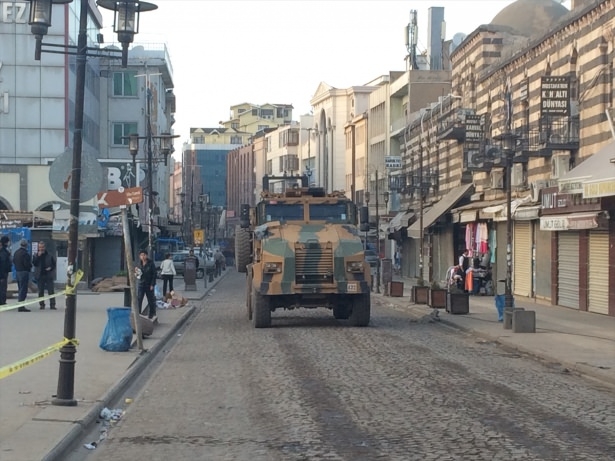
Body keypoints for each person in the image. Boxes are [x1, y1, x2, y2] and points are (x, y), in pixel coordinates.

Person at [32, 241, 56, 310]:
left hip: (48, 275)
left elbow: (54, 264)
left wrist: (50, 268)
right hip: (40, 275)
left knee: (51, 291)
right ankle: (42, 304)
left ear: (44, 247)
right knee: (41, 291)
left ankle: (52, 304)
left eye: (42, 247)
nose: (41, 249)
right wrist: (38, 257)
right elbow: (34, 263)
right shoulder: (35, 255)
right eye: (40, 247)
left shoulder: (49, 255)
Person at [136, 249, 157, 319]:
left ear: (146, 255)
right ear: (139, 256)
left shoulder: (151, 263)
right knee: (139, 299)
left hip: (149, 284)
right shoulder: (139, 264)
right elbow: (137, 275)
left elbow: (154, 274)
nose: (143, 256)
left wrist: (152, 284)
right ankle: (138, 314)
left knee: (150, 300)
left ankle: (151, 314)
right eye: (141, 255)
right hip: (141, 284)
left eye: (144, 255)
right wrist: (136, 272)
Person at [13, 239, 32, 311]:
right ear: (26, 245)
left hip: (18, 272)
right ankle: (21, 306)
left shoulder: (16, 252)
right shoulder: (25, 254)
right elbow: (27, 264)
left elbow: (14, 261)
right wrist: (29, 267)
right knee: (23, 290)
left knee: (20, 288)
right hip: (24, 272)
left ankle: (20, 304)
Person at [0, 236, 12, 306]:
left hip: (3, 273)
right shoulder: (4, 252)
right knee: (3, 289)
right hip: (3, 274)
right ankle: (2, 302)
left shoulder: (4, 252)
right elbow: (3, 264)